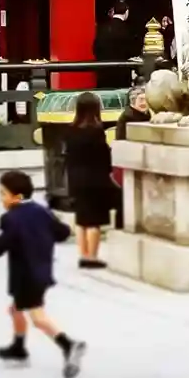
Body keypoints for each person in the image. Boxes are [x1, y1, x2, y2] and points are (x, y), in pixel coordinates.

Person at [0, 171, 86, 378]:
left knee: (38, 318)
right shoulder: (42, 212)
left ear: (17, 196)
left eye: (3, 194)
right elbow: (63, 232)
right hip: (41, 271)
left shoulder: (11, 219)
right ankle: (18, 348)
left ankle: (69, 345)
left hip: (26, 275)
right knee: (15, 309)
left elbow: (1, 245)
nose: (1, 199)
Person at [65, 92, 122, 269]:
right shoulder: (96, 131)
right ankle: (92, 257)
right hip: (95, 180)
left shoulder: (70, 130)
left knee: (82, 219)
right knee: (94, 221)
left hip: (76, 180)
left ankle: (83, 254)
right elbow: (104, 157)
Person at [93, 0, 141, 89]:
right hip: (122, 74)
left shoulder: (102, 28)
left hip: (103, 72)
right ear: (127, 12)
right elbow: (132, 51)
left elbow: (95, 48)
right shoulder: (127, 30)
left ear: (113, 11)